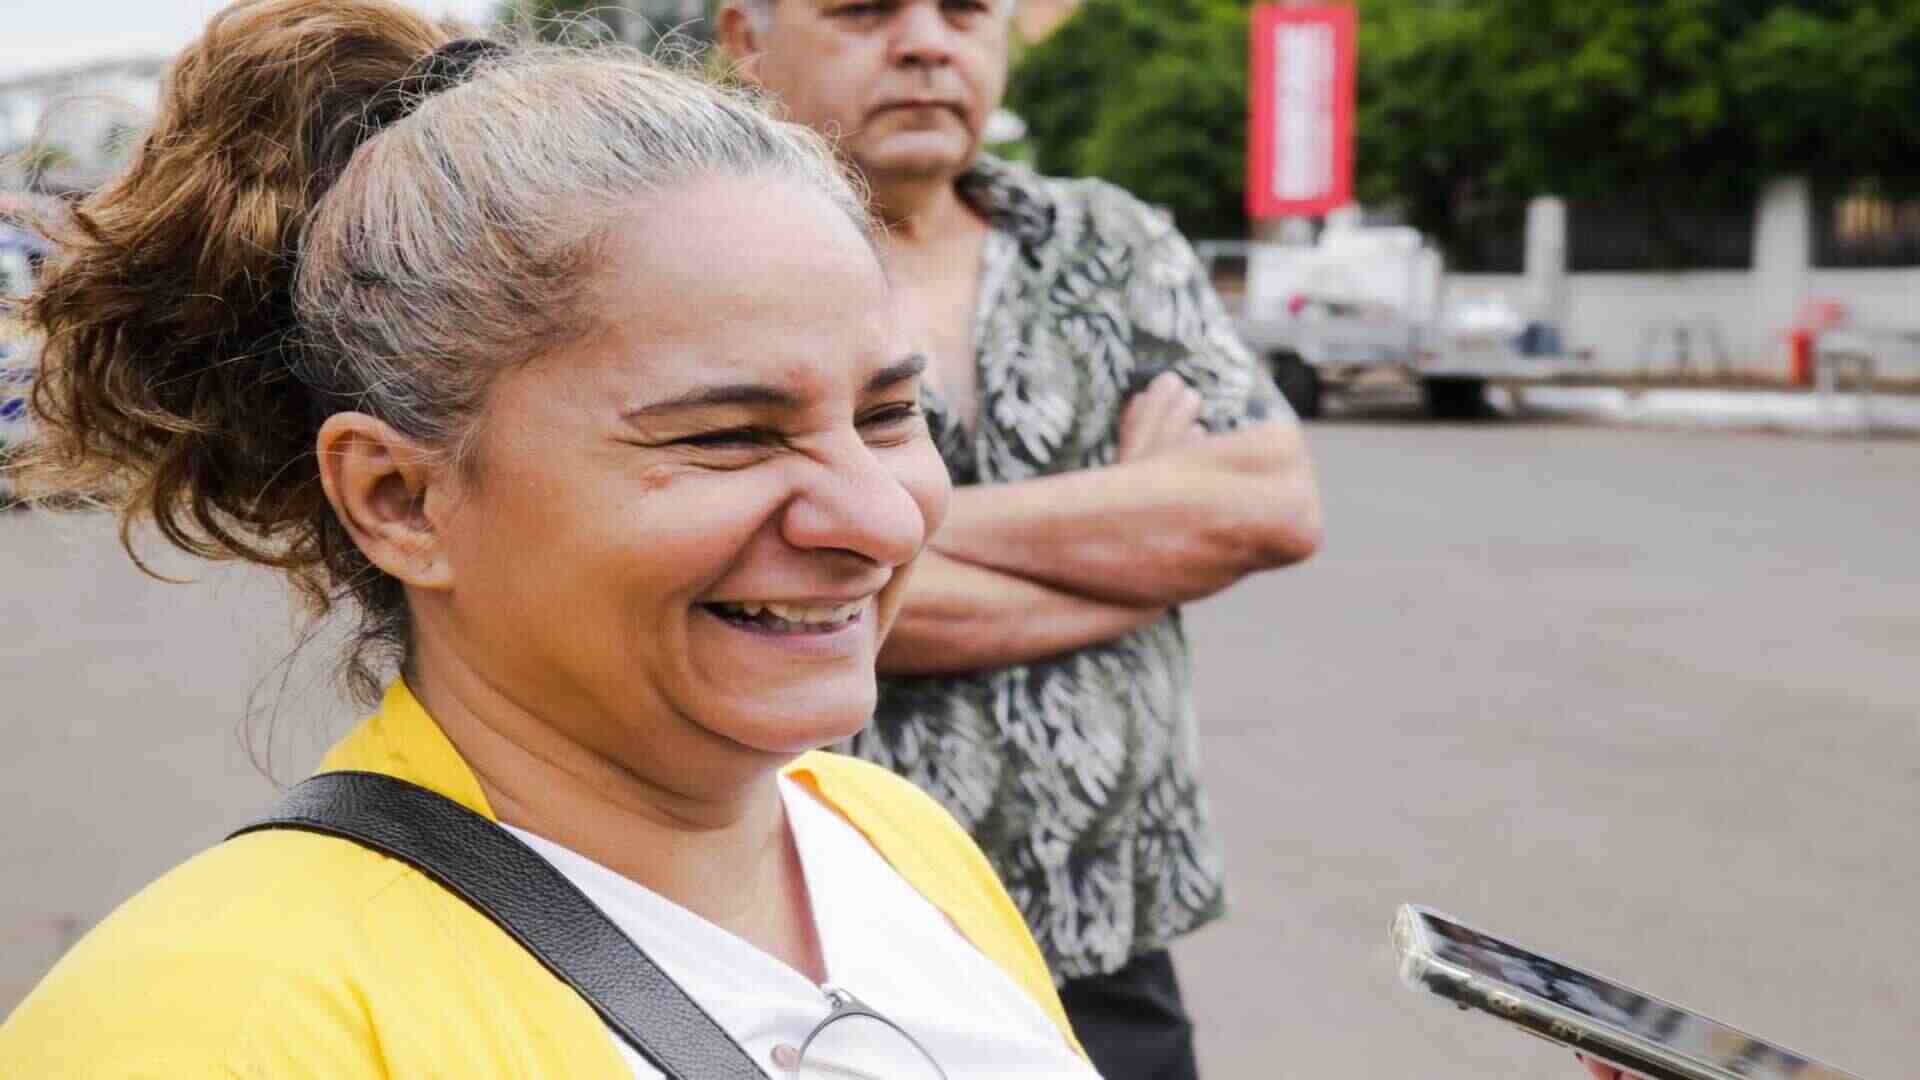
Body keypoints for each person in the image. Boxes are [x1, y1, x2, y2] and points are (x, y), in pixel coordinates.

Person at [0, 2, 1103, 1076]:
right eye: (727, 437)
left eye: (886, 417)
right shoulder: (210, 1027)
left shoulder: (888, 838)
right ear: (399, 499)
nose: (881, 516)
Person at [714, 3, 1321, 1076]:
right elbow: (765, 586)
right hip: (827, 955)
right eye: (865, 9)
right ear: (746, 38)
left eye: (963, 10)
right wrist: (1145, 540)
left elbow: (1273, 506)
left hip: (1111, 933)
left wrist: (891, 545)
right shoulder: (707, 265)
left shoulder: (1109, 244)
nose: (924, 43)